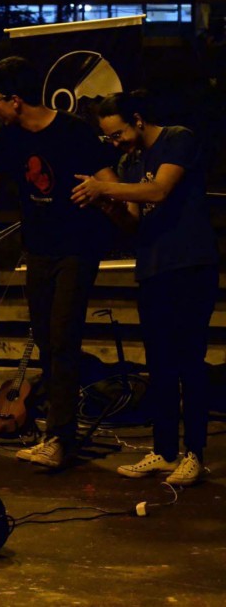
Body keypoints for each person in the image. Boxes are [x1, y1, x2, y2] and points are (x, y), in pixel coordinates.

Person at [0, 57, 120, 469]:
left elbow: (109, 178)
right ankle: (54, 431)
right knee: (45, 337)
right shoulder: (11, 137)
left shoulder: (74, 132)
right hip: (38, 249)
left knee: (62, 337)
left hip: (77, 247)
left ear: (15, 100)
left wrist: (100, 192)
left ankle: (60, 437)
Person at [72, 91, 219, 486]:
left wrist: (107, 190)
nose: (115, 143)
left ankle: (196, 454)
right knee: (160, 366)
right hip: (153, 270)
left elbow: (159, 191)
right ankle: (166, 451)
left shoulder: (177, 138)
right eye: (109, 138)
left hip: (190, 265)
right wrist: (110, 207)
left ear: (137, 119)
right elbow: (134, 221)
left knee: (190, 362)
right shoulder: (131, 161)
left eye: (117, 133)